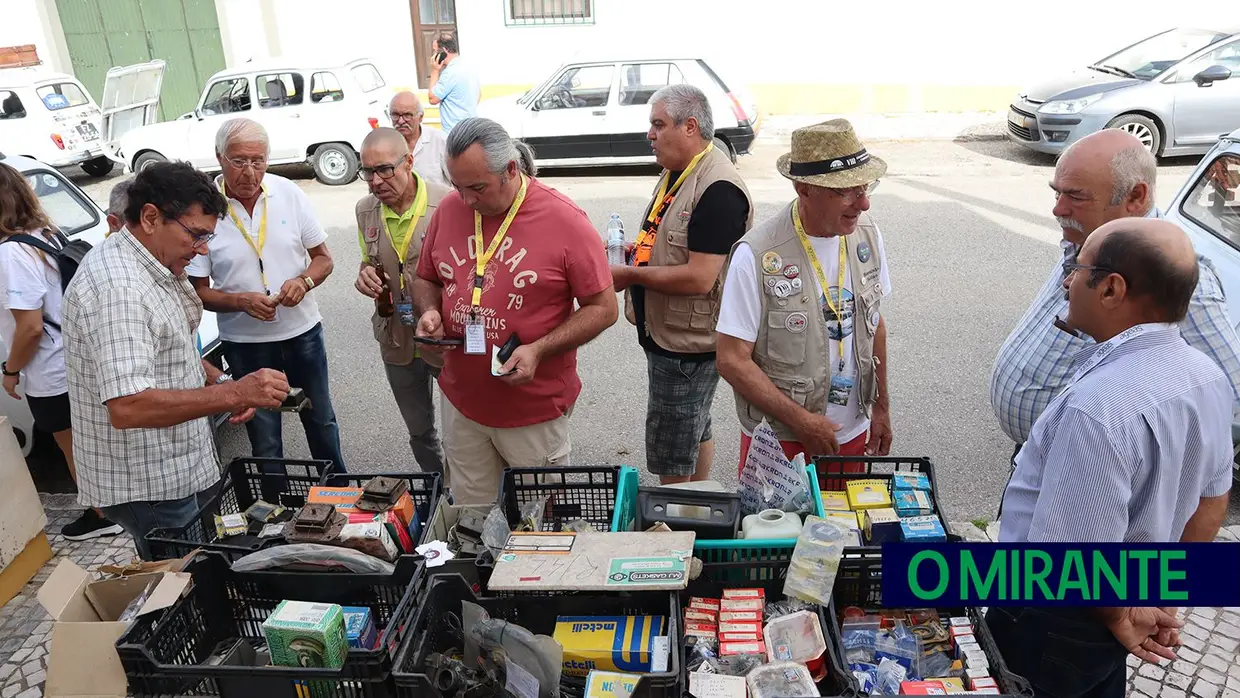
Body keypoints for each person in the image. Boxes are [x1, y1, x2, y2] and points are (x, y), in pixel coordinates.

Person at [990, 217, 1231, 698]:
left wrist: (1120, 615)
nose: (1065, 280)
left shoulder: (1097, 408)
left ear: (1112, 290)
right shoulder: (1206, 376)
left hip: (1054, 616)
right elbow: (1212, 499)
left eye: (1076, 268)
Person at [62, 160, 290, 559]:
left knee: (203, 568)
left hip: (176, 466)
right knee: (184, 583)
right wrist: (235, 393)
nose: (203, 249)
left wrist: (218, 381)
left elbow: (167, 349)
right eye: (197, 236)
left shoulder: (151, 261)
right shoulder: (119, 288)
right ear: (150, 217)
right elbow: (127, 406)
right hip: (150, 481)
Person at [990, 129, 1240, 475]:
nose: (1057, 209)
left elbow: (1228, 397)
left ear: (1136, 197)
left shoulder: (1173, 275)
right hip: (1040, 458)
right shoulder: (1088, 236)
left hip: (1091, 473)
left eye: (1075, 196)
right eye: (1057, 192)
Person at [413, 117, 617, 504]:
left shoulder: (565, 220)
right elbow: (425, 278)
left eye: (477, 188)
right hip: (462, 403)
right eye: (457, 186)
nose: (466, 199)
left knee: (535, 528)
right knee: (471, 520)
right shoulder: (451, 209)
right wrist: (429, 312)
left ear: (510, 170)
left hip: (531, 412)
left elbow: (604, 308)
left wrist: (539, 349)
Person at [717, 119, 894, 469]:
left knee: (848, 524)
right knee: (781, 526)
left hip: (852, 433)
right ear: (804, 189)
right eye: (847, 191)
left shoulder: (867, 234)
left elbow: (876, 326)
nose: (864, 204)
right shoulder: (755, 255)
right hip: (780, 442)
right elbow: (731, 359)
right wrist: (802, 422)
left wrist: (882, 407)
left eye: (865, 187)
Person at [610, 84, 752, 484]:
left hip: (687, 344)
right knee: (694, 425)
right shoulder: (679, 172)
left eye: (658, 124)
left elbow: (699, 276)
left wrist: (629, 275)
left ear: (690, 127)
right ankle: (697, 506)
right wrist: (636, 253)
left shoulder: (719, 190)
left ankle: (677, 525)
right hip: (672, 333)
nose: (650, 134)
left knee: (672, 448)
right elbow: (669, 241)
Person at [187, 118, 346, 474]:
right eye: (239, 161)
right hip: (245, 343)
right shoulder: (206, 209)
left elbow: (324, 259)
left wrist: (303, 282)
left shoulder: (288, 193)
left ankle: (340, 495)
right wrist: (242, 301)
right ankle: (274, 511)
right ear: (219, 157)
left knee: (321, 421)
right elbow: (198, 292)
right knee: (265, 435)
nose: (250, 171)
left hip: (302, 332)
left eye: (258, 160)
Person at [0, 163, 123, 540]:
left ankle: (103, 516)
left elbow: (31, 326)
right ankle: (120, 506)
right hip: (81, 356)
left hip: (52, 371)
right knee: (99, 441)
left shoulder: (9, 255)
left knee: (74, 448)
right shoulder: (46, 233)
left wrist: (11, 369)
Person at [354, 127, 449, 472]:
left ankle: (467, 493)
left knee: (462, 429)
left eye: (384, 169)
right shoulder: (366, 210)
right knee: (419, 431)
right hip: (395, 336)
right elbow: (370, 260)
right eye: (368, 171)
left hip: (441, 334)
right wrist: (364, 273)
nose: (376, 181)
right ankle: (439, 490)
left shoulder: (446, 203)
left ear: (409, 162)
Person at [389, 90, 450, 188]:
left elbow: (457, 183)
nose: (400, 121)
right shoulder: (386, 145)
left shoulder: (440, 141)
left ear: (420, 117)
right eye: (395, 115)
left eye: (407, 115)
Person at [426, 31, 479, 133]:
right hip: (471, 126)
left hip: (455, 131)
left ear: (444, 51)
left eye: (435, 51)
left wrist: (434, 71)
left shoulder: (450, 73)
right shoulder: (468, 66)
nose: (433, 55)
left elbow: (432, 99)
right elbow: (478, 95)